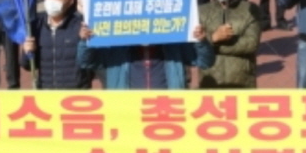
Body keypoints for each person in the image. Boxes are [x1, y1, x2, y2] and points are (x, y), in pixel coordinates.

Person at [77, 23, 215, 89]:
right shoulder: (116, 48)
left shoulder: (174, 46)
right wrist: (85, 41)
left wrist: (201, 41)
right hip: (127, 111)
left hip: (166, 109)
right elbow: (85, 62)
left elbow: (205, 62)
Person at [21, 0, 92, 89]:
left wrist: (84, 41)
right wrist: (27, 52)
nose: (52, 2)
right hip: (46, 92)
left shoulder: (80, 26)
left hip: (75, 93)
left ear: (70, 1)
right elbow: (28, 66)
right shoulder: (37, 26)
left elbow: (90, 63)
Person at [198, 0, 262, 89]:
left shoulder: (250, 9)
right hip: (210, 80)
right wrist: (213, 38)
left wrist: (215, 45)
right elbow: (195, 45)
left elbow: (251, 43)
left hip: (241, 79)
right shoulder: (202, 11)